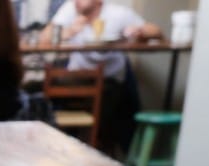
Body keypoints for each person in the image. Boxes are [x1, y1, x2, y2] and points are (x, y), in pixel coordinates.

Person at [39, 0, 162, 153]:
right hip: (76, 79)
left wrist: (140, 31)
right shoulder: (71, 9)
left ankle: (95, 148)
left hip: (108, 80)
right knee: (39, 91)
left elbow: (156, 31)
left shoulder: (117, 14)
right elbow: (44, 37)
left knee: (112, 108)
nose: (77, 1)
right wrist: (69, 31)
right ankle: (53, 147)